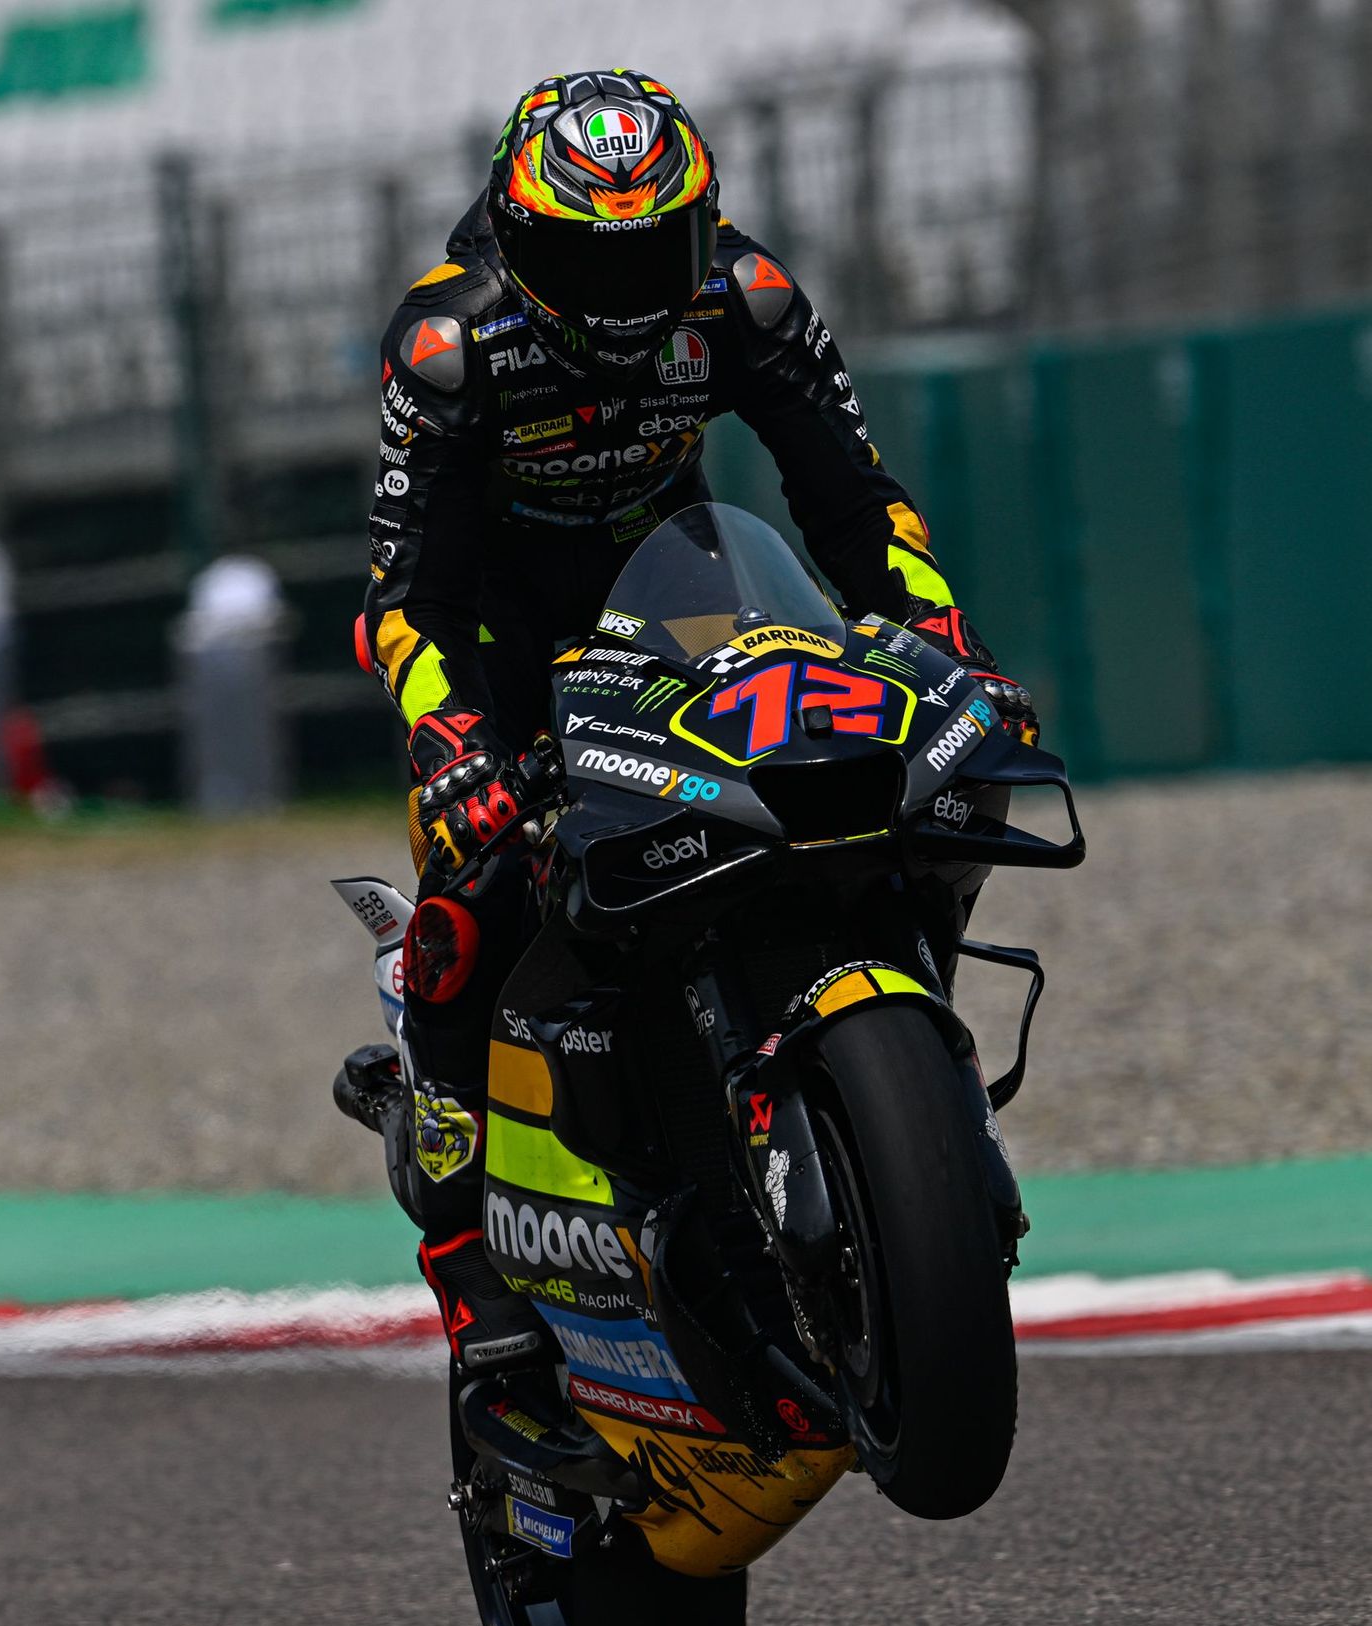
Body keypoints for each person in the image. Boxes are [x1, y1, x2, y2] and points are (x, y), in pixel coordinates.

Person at [343, 70, 1038, 1417]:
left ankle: (902, 1086)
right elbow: (400, 599)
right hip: (492, 645)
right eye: (584, 261)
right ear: (517, 238)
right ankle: (466, 1256)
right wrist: (452, 745)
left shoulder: (747, 301)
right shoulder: (448, 347)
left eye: (651, 255)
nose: (621, 296)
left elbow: (857, 507)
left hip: (678, 590)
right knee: (478, 893)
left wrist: (947, 646)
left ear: (704, 230)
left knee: (873, 785)